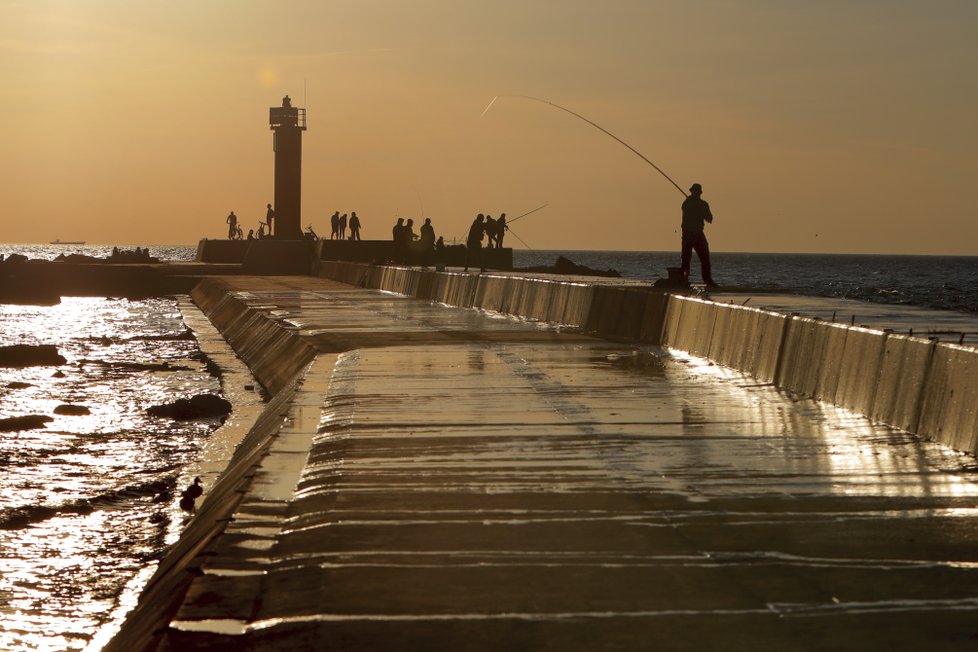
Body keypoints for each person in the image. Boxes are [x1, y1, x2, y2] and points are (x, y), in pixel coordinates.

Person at [680, 183, 717, 288]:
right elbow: (685, 212)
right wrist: (695, 206)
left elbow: (710, 219)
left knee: (705, 257)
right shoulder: (687, 203)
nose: (695, 194)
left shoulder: (703, 204)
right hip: (688, 233)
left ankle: (708, 281)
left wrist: (701, 210)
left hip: (698, 234)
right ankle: (683, 280)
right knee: (686, 258)